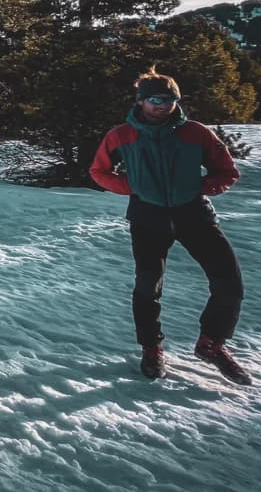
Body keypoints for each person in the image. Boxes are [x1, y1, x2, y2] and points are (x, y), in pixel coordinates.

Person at [89, 67, 248, 385]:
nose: (162, 105)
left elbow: (226, 171)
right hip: (148, 218)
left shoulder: (196, 132)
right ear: (141, 101)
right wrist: (132, 186)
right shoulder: (121, 135)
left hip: (195, 215)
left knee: (229, 283)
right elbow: (99, 171)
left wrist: (202, 187)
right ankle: (151, 348)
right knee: (148, 286)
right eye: (154, 100)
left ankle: (211, 344)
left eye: (169, 99)